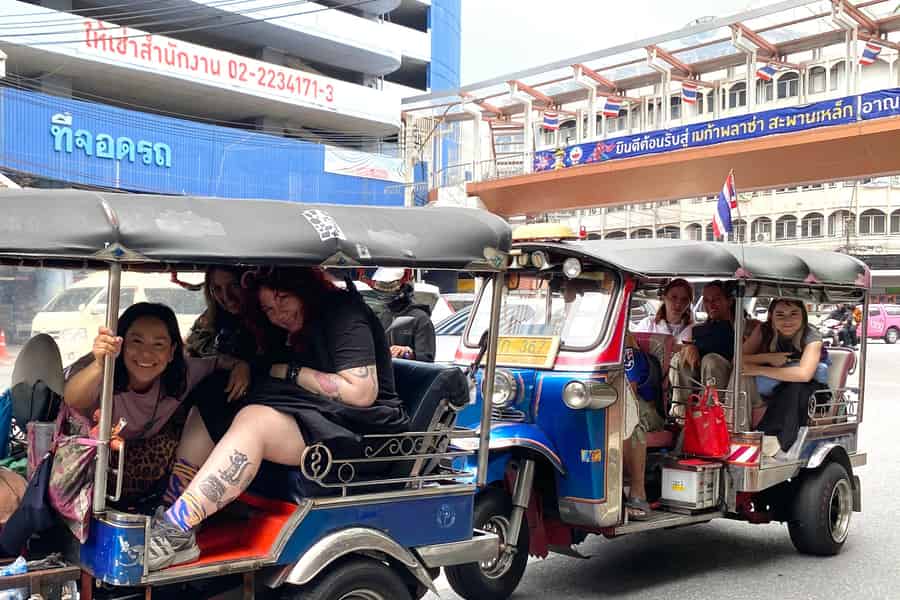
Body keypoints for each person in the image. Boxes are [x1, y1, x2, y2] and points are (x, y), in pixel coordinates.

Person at [149, 267, 409, 571]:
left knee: (255, 421)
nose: (279, 314)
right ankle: (172, 509)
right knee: (213, 399)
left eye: (283, 299)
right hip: (319, 413)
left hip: (365, 432)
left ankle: (176, 529)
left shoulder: (343, 313)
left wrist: (290, 372)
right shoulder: (292, 324)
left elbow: (361, 392)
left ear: (304, 290)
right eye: (269, 309)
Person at [63, 303, 251, 504]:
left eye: (158, 344)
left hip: (146, 468)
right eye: (136, 341)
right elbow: (73, 399)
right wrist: (100, 364)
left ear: (172, 352)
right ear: (121, 344)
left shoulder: (182, 374)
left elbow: (218, 362)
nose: (146, 353)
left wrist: (241, 366)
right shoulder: (104, 368)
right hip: (92, 468)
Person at [623, 279, 694, 520]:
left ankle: (637, 492)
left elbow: (630, 393)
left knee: (629, 421)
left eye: (683, 299)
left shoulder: (631, 356)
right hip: (622, 402)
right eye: (673, 297)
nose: (678, 304)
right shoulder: (644, 325)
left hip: (649, 407)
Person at [743, 298, 828, 459]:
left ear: (803, 316)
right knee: (744, 376)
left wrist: (759, 369)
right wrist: (768, 357)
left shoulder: (811, 335)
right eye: (780, 315)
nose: (787, 320)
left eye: (793, 314)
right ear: (771, 317)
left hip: (811, 388)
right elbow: (738, 359)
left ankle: (779, 439)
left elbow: (804, 374)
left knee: (795, 386)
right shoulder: (764, 330)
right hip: (773, 384)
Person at [185, 267, 256, 360]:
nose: (226, 297)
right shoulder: (210, 318)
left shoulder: (270, 319)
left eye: (234, 285)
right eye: (217, 288)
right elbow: (189, 351)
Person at [369, 268, 436, 362]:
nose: (386, 295)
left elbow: (427, 358)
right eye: (382, 290)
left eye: (390, 289)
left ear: (404, 288)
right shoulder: (381, 317)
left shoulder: (420, 319)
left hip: (408, 370)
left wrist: (407, 353)